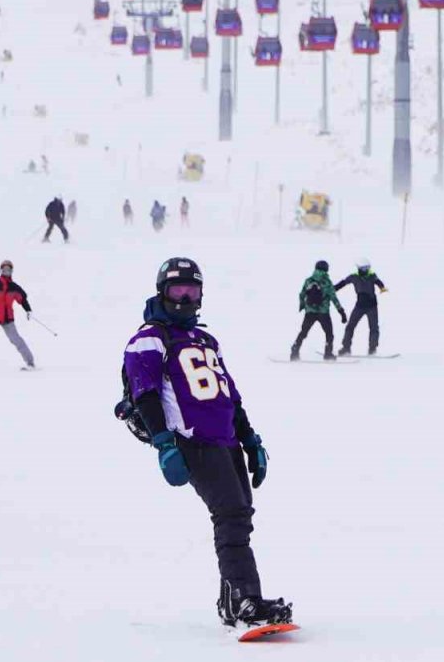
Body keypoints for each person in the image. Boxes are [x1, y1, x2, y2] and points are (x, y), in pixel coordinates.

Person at [120, 257, 292, 629]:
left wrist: (250, 440)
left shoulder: (205, 339)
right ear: (162, 292)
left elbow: (229, 394)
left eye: (191, 290)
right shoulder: (149, 337)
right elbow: (145, 394)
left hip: (225, 440)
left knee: (240, 513)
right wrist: (165, 444)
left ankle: (234, 600)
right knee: (230, 514)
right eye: (176, 289)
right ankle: (246, 600)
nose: (184, 298)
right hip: (192, 442)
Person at [290, 260, 347, 361]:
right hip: (323, 313)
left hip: (310, 312)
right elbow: (334, 298)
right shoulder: (327, 282)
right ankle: (328, 354)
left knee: (303, 332)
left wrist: (303, 306)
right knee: (329, 333)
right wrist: (341, 312)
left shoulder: (308, 280)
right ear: (326, 269)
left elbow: (302, 294)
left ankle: (295, 350)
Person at [334, 258, 387, 356]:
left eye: (367, 268)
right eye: (364, 268)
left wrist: (382, 287)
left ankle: (372, 348)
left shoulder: (372, 276)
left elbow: (378, 282)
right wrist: (332, 289)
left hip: (372, 306)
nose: (366, 270)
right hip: (360, 306)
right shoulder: (354, 277)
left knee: (374, 327)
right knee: (350, 326)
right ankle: (346, 348)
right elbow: (343, 283)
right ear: (359, 268)